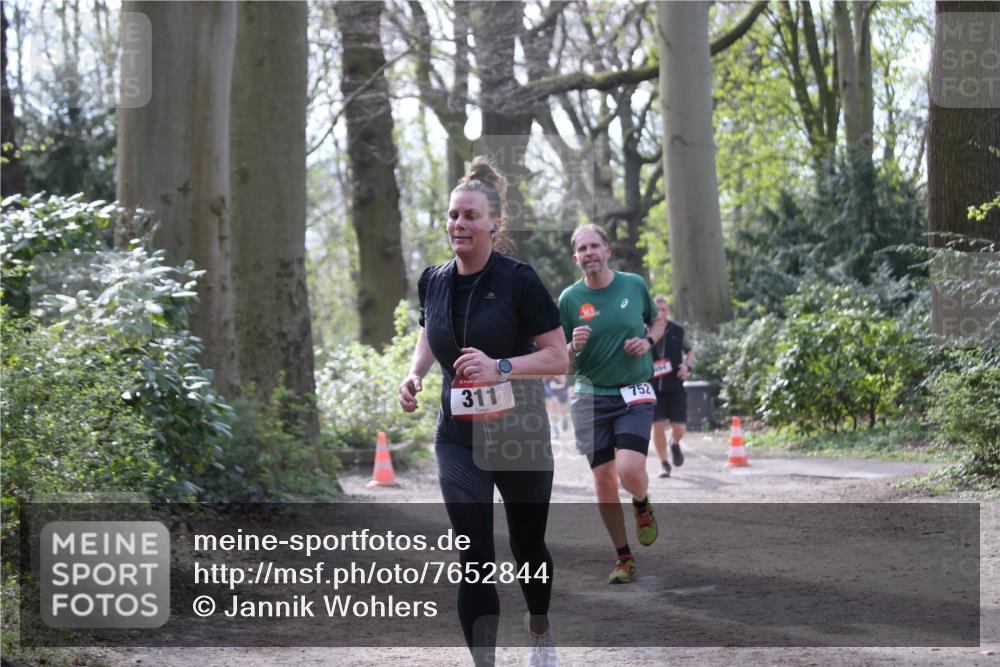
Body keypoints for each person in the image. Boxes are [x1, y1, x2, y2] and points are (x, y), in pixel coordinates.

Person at [398, 156, 568, 667]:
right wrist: (416, 374)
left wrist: (502, 366)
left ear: (494, 223)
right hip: (460, 437)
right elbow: (430, 329)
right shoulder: (434, 279)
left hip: (519, 433)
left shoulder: (520, 280)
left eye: (470, 215)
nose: (459, 224)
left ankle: (539, 627)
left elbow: (560, 356)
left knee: (527, 546)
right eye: (453, 215)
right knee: (473, 555)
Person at [557, 224, 666, 584]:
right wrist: (574, 345)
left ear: (607, 251)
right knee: (603, 480)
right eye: (581, 249)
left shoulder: (633, 284)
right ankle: (623, 556)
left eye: (594, 246)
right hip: (590, 395)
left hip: (634, 390)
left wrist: (648, 341)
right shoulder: (569, 300)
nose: (588, 253)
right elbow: (559, 358)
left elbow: (658, 320)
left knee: (630, 471)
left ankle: (641, 501)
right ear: (576, 258)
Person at [650, 296, 695, 478]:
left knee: (680, 428)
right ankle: (664, 463)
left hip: (675, 386)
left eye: (664, 309)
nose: (661, 312)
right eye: (658, 309)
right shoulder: (644, 331)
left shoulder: (677, 330)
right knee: (657, 426)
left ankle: (675, 444)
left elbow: (690, 351)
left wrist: (687, 366)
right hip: (653, 388)